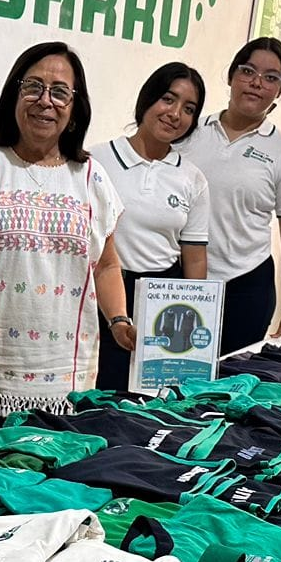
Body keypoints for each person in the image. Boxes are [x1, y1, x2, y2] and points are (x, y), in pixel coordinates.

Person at [0, 42, 128, 438]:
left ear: (75, 107)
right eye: (33, 87)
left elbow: (106, 264)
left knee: (53, 476)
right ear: (14, 94)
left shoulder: (92, 177)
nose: (45, 101)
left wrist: (119, 319)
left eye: (60, 92)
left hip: (66, 381)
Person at [179, 37, 281, 355]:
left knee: (231, 378)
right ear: (231, 76)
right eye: (248, 71)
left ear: (280, 91)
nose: (256, 83)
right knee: (170, 378)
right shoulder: (189, 131)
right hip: (180, 280)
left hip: (245, 286)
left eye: (271, 77)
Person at [87, 63, 210, 390]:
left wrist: (194, 312)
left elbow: (195, 256)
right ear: (147, 99)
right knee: (98, 394)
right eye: (168, 99)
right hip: (101, 293)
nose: (175, 114)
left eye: (189, 109)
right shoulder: (96, 160)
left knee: (152, 398)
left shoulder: (193, 178)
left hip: (163, 300)